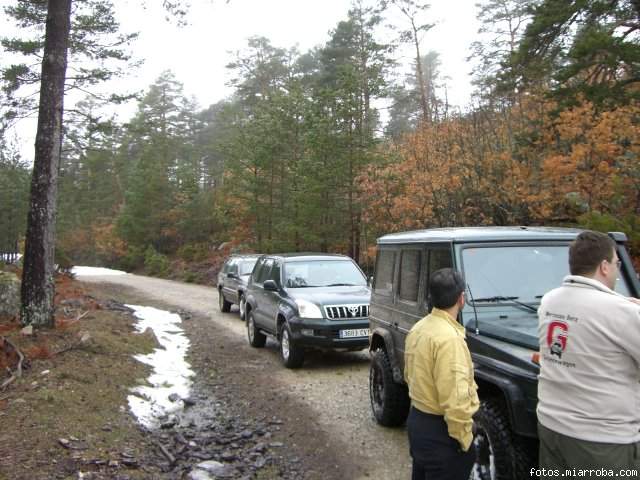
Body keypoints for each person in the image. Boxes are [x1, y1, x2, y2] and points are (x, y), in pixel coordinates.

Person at [537, 230, 640, 477]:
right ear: (604, 267)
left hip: (552, 425)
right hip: (601, 439)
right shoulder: (620, 312)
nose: (616, 270)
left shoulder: (550, 301)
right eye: (616, 263)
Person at [404, 267, 479, 480]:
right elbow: (455, 401)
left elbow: (409, 376)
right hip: (442, 433)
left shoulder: (418, 328)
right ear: (461, 299)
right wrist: (464, 440)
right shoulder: (450, 340)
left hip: (418, 421)